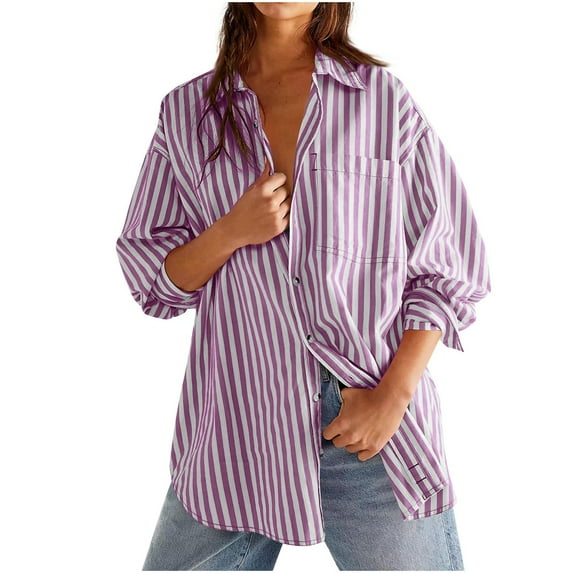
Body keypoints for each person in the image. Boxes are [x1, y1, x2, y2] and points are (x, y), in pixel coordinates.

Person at [115, 2, 491, 570]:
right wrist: (230, 232)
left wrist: (393, 397)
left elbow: (448, 264)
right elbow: (153, 281)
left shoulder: (381, 101)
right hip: (236, 425)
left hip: (366, 422)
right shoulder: (187, 113)